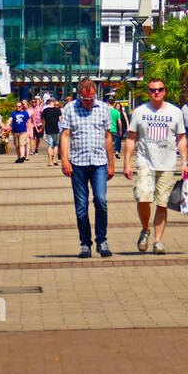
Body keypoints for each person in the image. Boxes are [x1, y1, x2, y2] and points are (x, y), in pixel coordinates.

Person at [123, 78, 188, 254]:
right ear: (148, 92)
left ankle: (158, 241)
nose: (156, 92)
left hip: (167, 164)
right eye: (152, 90)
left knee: (162, 203)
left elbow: (181, 138)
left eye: (159, 89)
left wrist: (185, 162)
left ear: (164, 91)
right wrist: (127, 162)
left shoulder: (175, 112)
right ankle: (145, 230)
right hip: (145, 162)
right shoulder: (140, 112)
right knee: (143, 197)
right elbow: (131, 137)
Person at [59, 79, 114, 258]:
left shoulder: (104, 108)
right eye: (85, 99)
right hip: (78, 163)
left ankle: (102, 241)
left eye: (91, 99)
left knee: (101, 201)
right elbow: (65, 135)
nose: (88, 102)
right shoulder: (69, 109)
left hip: (99, 162)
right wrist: (64, 159)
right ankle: (85, 244)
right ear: (79, 95)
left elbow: (108, 137)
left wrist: (111, 164)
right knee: (81, 207)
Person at [42, 97, 63, 167]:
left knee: (50, 146)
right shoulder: (57, 110)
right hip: (56, 129)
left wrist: (43, 127)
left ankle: (50, 161)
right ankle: (55, 160)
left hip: (48, 129)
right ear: (53, 103)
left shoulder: (45, 110)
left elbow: (43, 120)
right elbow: (60, 120)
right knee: (56, 145)